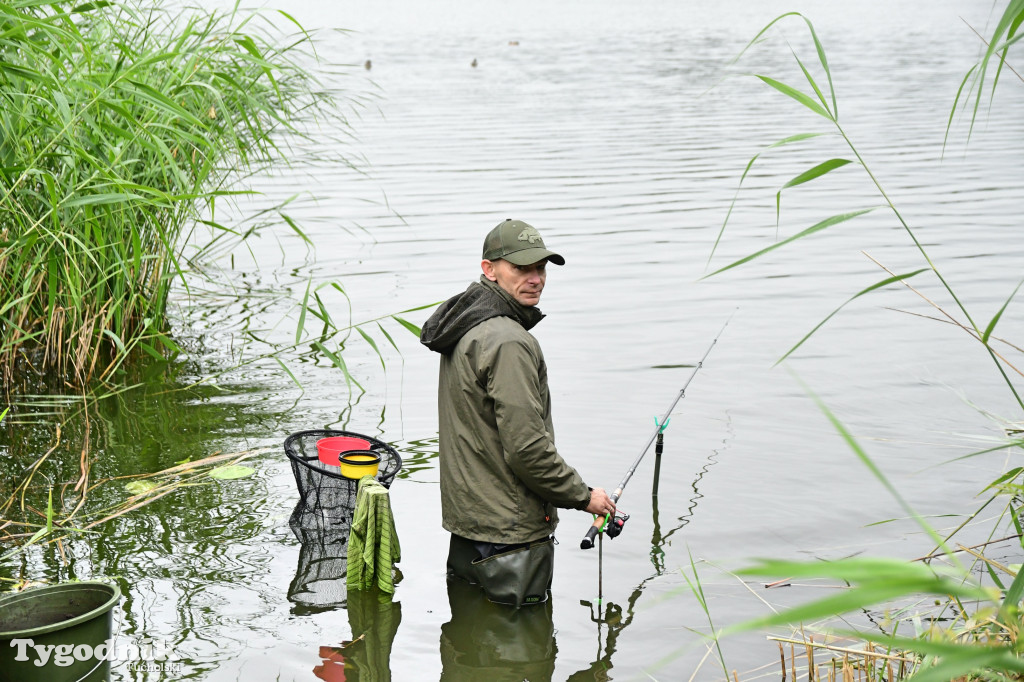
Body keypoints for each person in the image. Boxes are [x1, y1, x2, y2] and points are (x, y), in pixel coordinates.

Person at [420, 218, 615, 607]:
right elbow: (527, 449)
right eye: (521, 268)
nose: (535, 278)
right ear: (488, 269)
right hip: (511, 538)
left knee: (470, 651)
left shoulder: (466, 325)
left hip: (467, 527)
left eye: (540, 268)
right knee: (522, 653)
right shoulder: (509, 340)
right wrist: (584, 496)